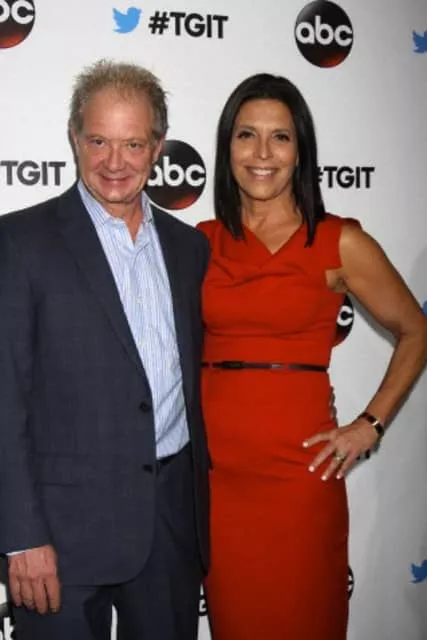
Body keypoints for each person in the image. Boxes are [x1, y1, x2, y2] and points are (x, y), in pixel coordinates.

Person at [197, 73, 427, 639]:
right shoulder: (198, 243)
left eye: (280, 137)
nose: (262, 153)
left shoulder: (338, 241)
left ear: (301, 151)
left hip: (302, 476)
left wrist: (370, 425)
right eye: (246, 135)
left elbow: (415, 331)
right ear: (227, 147)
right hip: (217, 481)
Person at [0, 59, 211, 640]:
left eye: (133, 144)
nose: (114, 162)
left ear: (158, 146)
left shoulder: (190, 249)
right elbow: (4, 399)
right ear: (74, 138)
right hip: (59, 538)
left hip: (170, 529)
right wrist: (21, 536)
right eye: (98, 141)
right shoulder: (19, 242)